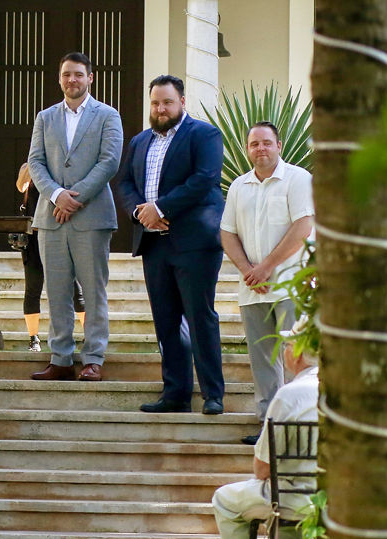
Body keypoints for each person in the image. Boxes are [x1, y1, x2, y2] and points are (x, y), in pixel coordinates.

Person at [118, 75, 227, 414]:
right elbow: (124, 183)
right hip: (154, 244)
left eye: (167, 102)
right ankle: (176, 394)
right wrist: (141, 212)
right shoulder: (139, 141)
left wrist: (160, 208)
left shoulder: (204, 134)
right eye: (155, 103)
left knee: (199, 317)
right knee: (165, 321)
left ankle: (213, 395)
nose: (160, 109)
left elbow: (204, 179)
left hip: (194, 243)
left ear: (182, 102)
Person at [26, 52, 123, 382]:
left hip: (91, 217)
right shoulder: (45, 117)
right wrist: (56, 195)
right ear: (59, 78)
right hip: (50, 218)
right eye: (66, 74)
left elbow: (109, 162)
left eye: (78, 74)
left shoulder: (108, 116)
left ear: (90, 78)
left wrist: (74, 198)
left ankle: (93, 357)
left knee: (94, 291)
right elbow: (35, 162)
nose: (72, 80)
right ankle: (61, 358)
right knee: (56, 291)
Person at [220, 121, 314, 444]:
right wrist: (249, 269)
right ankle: (268, 430)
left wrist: (266, 268)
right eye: (254, 144)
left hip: (289, 285)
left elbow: (303, 226)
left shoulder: (298, 179)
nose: (260, 149)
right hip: (252, 289)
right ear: (247, 149)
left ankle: (299, 426)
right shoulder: (238, 187)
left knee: (295, 357)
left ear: (279, 146)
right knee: (262, 362)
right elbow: (227, 233)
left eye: (266, 143)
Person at [211, 339, 317, 539]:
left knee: (225, 499)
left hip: (291, 496)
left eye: (288, 345)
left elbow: (261, 469)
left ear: (299, 354)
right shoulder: (351, 393)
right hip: (335, 499)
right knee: (282, 512)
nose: (284, 351)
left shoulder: (289, 394)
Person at [16, 163, 85, 353]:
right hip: (34, 233)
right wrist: (31, 166)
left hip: (58, 229)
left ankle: (89, 335)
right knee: (33, 286)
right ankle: (34, 338)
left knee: (73, 286)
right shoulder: (30, 166)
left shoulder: (61, 165)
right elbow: (21, 186)